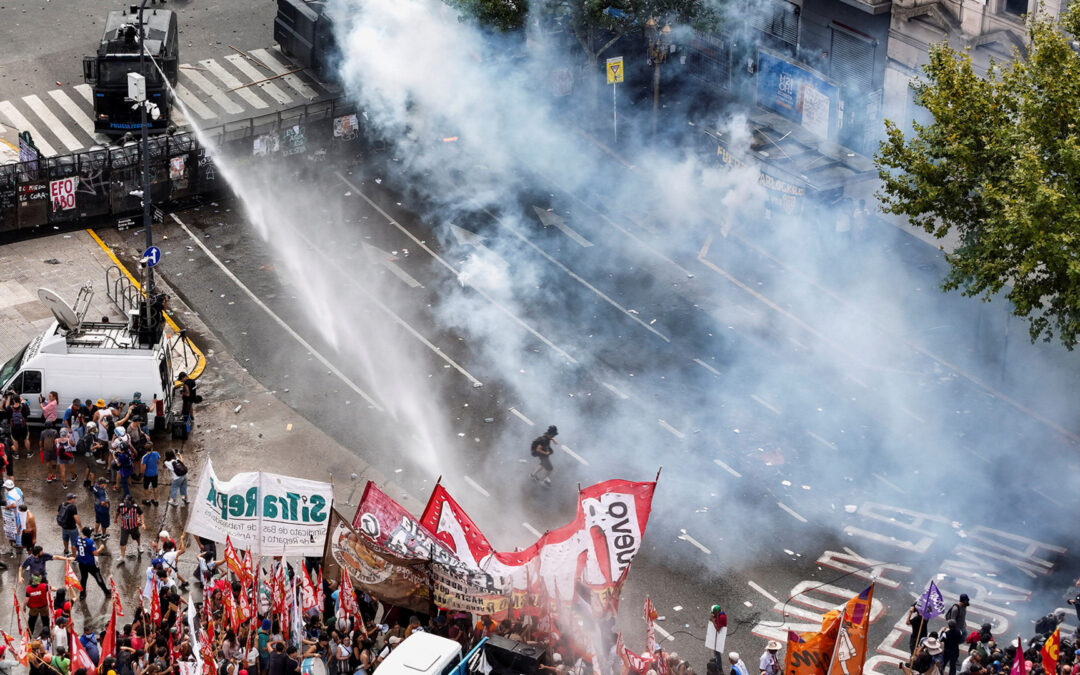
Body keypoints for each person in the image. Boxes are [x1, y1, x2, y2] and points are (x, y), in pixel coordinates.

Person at [74, 527, 110, 600]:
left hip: (81, 563)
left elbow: (74, 547)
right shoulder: (90, 541)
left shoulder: (77, 539)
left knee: (83, 579)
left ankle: (82, 595)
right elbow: (95, 553)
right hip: (91, 564)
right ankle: (107, 592)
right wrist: (101, 548)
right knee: (98, 577)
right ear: (89, 534)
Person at [116, 495, 144, 562]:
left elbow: (141, 514)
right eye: (125, 500)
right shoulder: (121, 506)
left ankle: (139, 546)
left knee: (137, 537)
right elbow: (117, 512)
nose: (126, 502)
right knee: (122, 542)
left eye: (128, 501)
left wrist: (143, 523)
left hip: (134, 526)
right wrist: (115, 519)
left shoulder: (135, 507)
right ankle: (122, 556)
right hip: (124, 527)